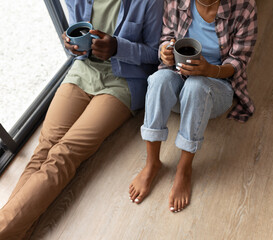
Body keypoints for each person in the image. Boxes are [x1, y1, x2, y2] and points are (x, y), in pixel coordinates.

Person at [0, 0, 162, 238]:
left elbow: (155, 53)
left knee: (64, 153)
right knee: (44, 148)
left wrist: (117, 47)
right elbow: (76, 38)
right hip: (83, 71)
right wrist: (71, 44)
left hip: (123, 80)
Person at [128, 0, 257, 213]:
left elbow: (238, 62)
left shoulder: (244, 7)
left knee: (196, 86)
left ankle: (184, 168)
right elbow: (167, 36)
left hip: (217, 86)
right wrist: (165, 51)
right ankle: (152, 163)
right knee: (159, 79)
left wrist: (209, 70)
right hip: (179, 78)